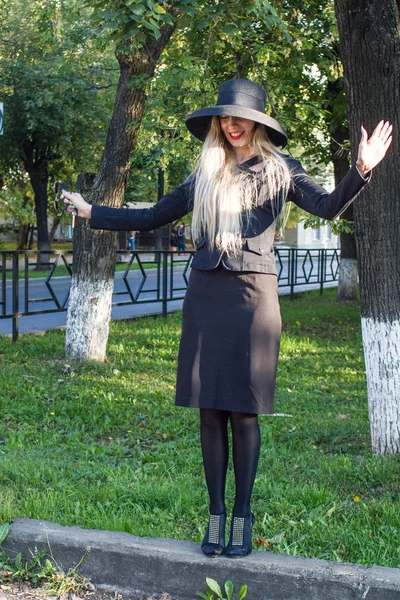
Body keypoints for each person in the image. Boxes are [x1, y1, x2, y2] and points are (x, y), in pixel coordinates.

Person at [62, 79, 392, 558]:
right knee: (210, 410)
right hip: (206, 297)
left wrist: (361, 168)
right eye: (225, 118)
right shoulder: (206, 173)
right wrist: (95, 212)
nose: (232, 125)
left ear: (258, 124)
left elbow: (327, 206)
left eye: (241, 118)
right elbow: (155, 214)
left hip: (253, 300)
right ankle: (215, 515)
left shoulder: (282, 171)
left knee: (244, 410)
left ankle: (243, 514)